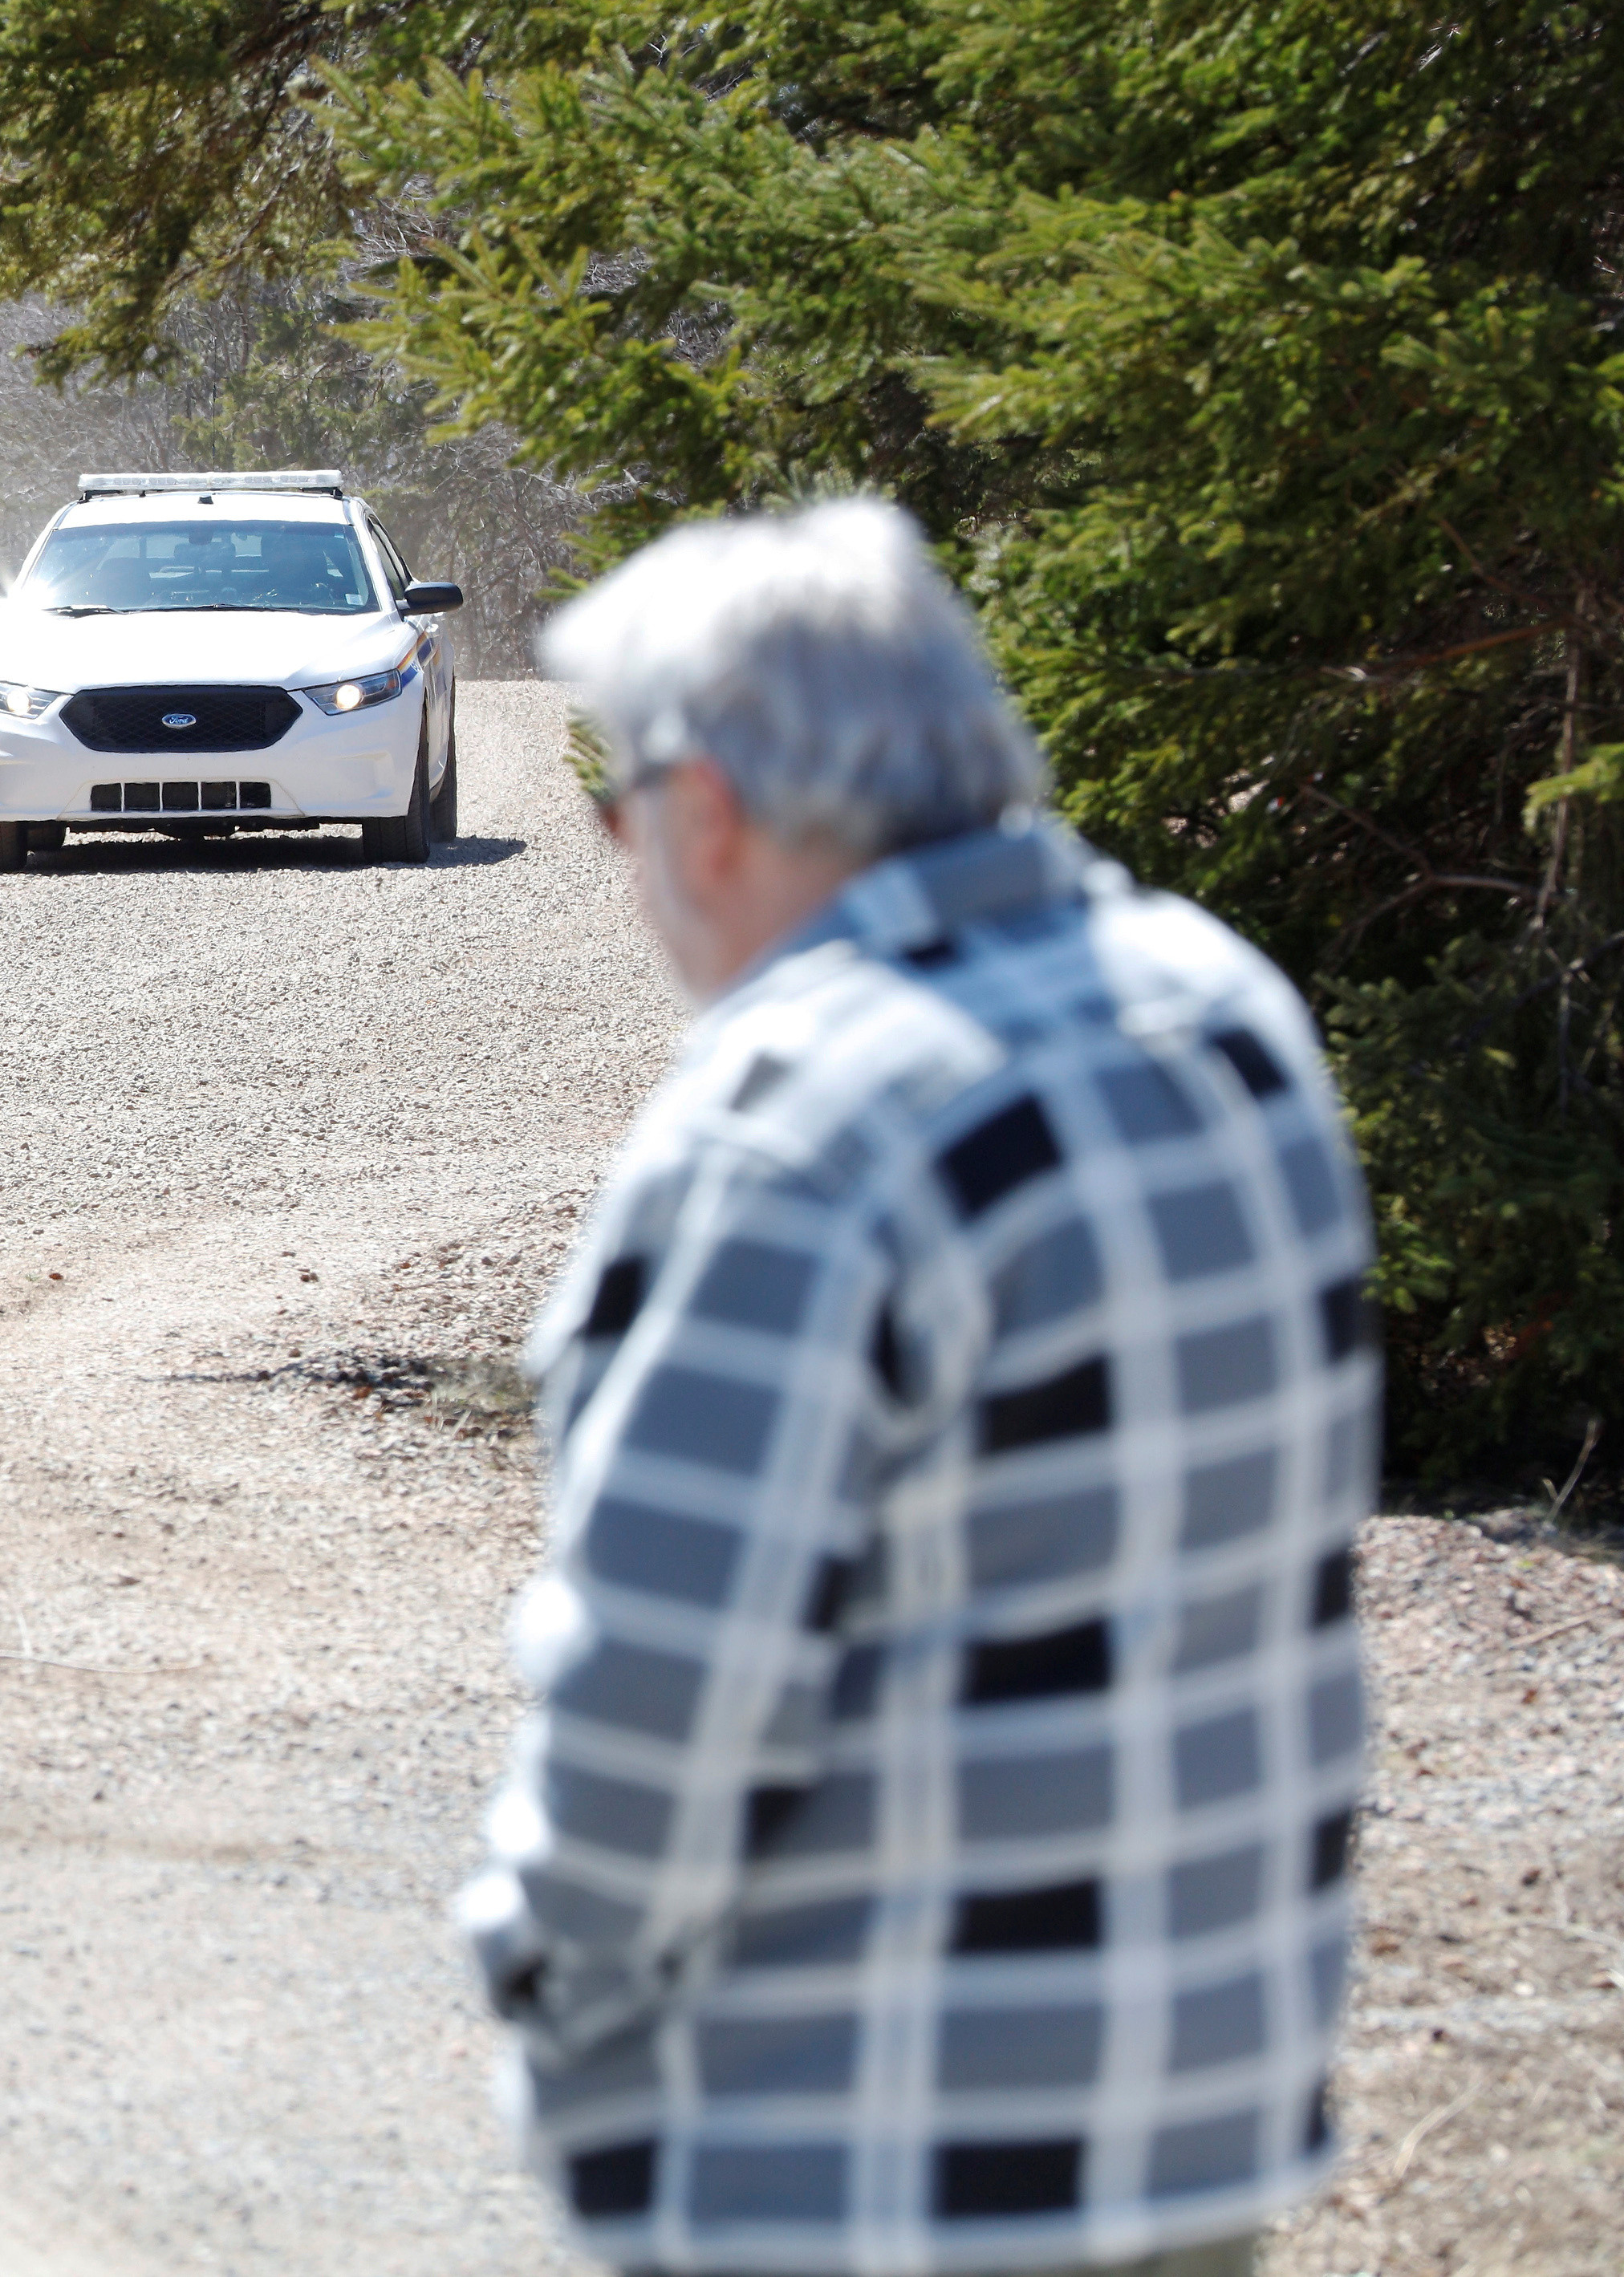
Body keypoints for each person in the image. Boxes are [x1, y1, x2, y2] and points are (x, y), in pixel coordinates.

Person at [460, 499, 1374, 2277]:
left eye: (611, 811)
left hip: (866, 2171)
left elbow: (662, 1693)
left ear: (704, 809)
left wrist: (537, 1965)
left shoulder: (802, 1123)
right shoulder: (1227, 1015)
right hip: (1194, 2132)